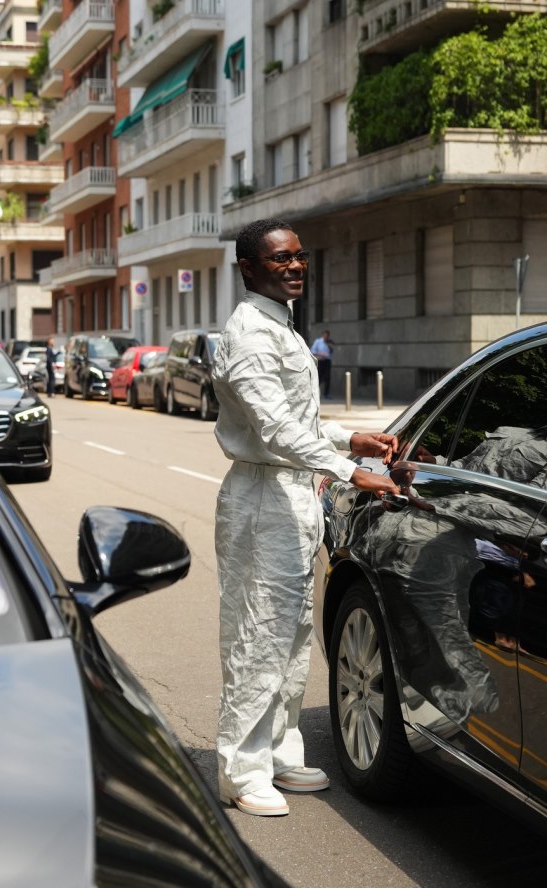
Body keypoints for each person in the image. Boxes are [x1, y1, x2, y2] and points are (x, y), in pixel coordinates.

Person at [212, 219, 400, 818]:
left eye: (299, 256)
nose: (295, 266)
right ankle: (241, 771)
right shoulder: (249, 334)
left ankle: (278, 753)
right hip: (262, 497)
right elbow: (272, 430)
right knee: (258, 634)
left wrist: (351, 439)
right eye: (280, 259)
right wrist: (349, 471)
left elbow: (299, 422)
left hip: (292, 494)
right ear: (248, 268)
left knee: (292, 635)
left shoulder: (283, 325)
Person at [310, 329, 333, 399]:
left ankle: (326, 394)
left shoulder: (329, 342)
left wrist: (330, 345)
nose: (326, 337)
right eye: (325, 336)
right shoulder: (318, 342)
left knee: (327, 377)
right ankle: (315, 392)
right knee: (319, 377)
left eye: (327, 336)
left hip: (327, 361)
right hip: (320, 361)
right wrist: (320, 354)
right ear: (323, 335)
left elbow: (331, 352)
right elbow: (312, 351)